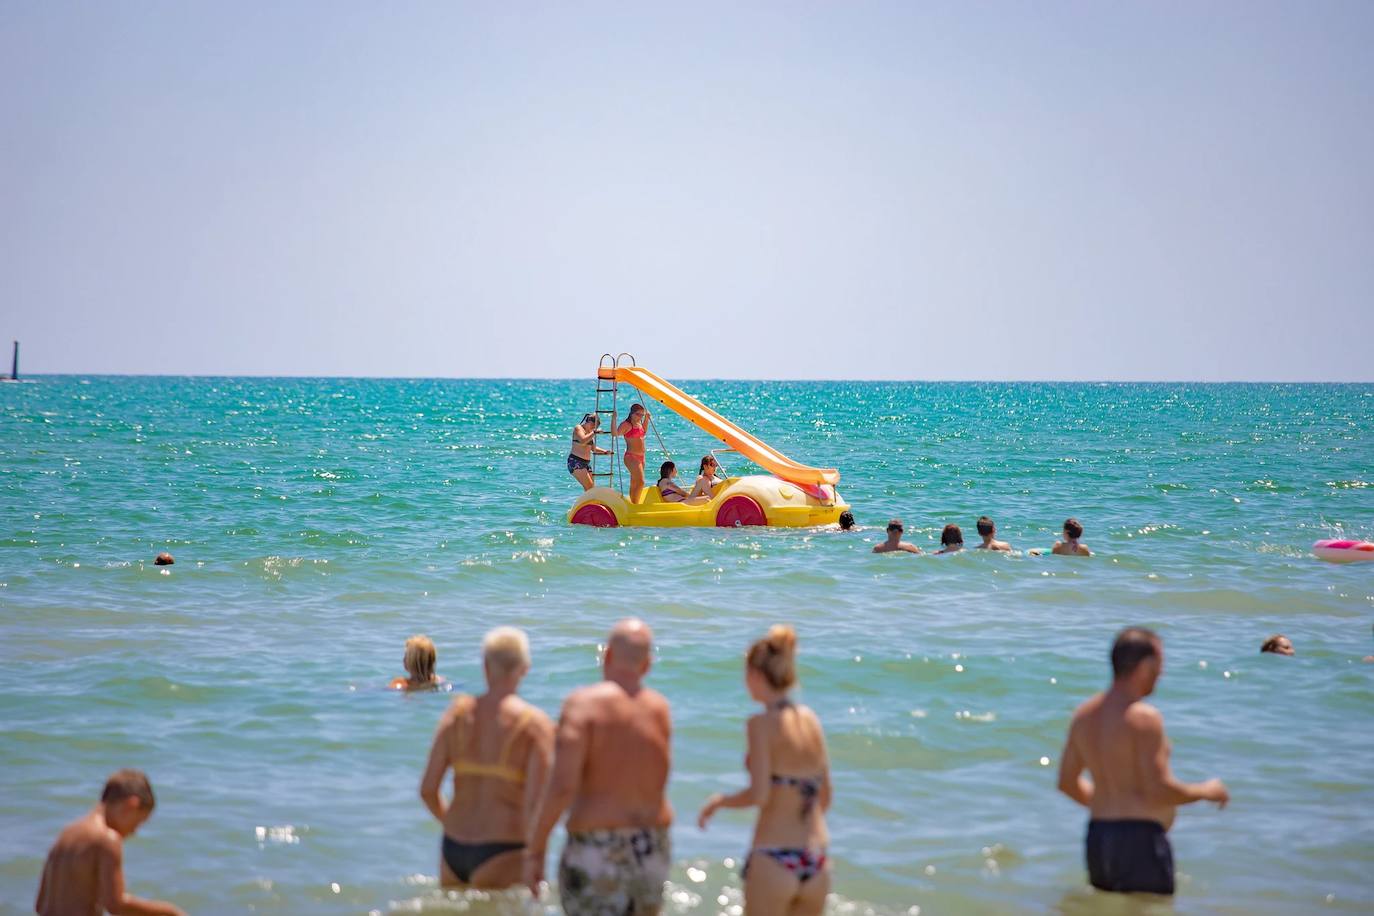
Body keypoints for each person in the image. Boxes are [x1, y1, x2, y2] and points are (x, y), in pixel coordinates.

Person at [1057, 627, 1229, 897]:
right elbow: (1158, 790)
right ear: (1146, 665)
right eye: (1160, 664)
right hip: (1140, 843)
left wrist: (1112, 807)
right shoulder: (1143, 718)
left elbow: (1067, 783)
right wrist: (1208, 791)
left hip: (1099, 838)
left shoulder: (1083, 716)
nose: (1162, 673)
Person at [525, 618, 673, 915]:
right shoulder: (660, 709)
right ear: (647, 665)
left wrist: (536, 848)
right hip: (652, 845)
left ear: (606, 656)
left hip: (598, 847)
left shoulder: (582, 705)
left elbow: (563, 786)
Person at [698, 626, 832, 915]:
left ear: (756, 676)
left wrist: (719, 801)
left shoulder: (759, 725)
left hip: (775, 858)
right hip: (815, 859)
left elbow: (759, 795)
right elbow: (825, 798)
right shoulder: (811, 721)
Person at [420, 627, 553, 889]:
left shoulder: (455, 716)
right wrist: (536, 857)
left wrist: (452, 823)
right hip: (503, 847)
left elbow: (428, 790)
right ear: (524, 668)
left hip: (453, 846)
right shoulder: (534, 725)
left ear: (484, 666)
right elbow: (537, 804)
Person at [36, 769, 185, 916]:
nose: (134, 831)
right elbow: (116, 905)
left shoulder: (66, 834)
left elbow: (40, 903)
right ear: (131, 805)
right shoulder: (107, 839)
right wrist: (170, 912)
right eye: (138, 823)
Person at [617, 404, 651, 504]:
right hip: (631, 456)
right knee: (641, 482)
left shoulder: (639, 423)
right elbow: (615, 433)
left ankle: (633, 503)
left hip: (641, 457)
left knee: (635, 482)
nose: (640, 417)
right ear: (631, 413)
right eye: (638, 414)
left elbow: (643, 432)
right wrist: (614, 418)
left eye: (642, 415)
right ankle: (636, 504)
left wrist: (646, 419)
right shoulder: (626, 424)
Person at [568, 413, 611, 491]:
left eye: (594, 427)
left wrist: (605, 452)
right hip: (576, 462)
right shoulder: (578, 428)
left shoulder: (589, 432)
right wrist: (594, 432)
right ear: (588, 422)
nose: (592, 428)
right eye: (592, 426)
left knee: (590, 488)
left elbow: (593, 448)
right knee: (590, 488)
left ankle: (589, 502)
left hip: (586, 464)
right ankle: (590, 502)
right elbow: (583, 440)